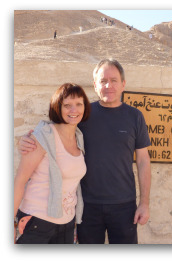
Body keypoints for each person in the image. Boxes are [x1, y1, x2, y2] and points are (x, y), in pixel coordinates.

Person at [18, 59, 151, 244]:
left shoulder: (135, 116)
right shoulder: (84, 114)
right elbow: (55, 128)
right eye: (103, 80)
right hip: (87, 207)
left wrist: (144, 203)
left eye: (114, 80)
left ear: (123, 84)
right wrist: (25, 140)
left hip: (124, 205)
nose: (108, 85)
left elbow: (143, 160)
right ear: (95, 85)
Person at [14, 83, 91, 244]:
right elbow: (20, 181)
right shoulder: (43, 136)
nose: (74, 110)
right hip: (37, 222)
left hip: (67, 224)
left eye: (78, 104)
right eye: (67, 105)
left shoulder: (79, 137)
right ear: (58, 107)